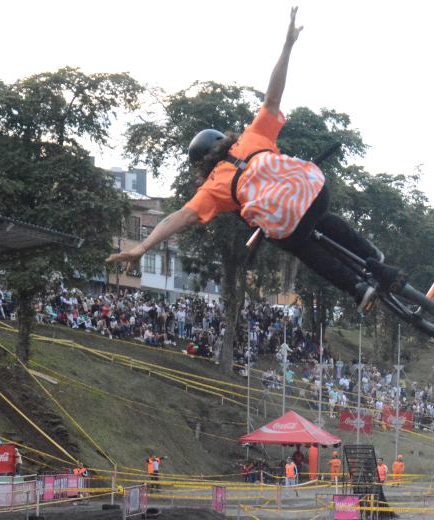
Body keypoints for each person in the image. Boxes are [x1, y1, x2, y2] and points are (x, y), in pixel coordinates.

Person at [105, 8, 403, 313]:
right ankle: (378, 265)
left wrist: (143, 247)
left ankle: (357, 287)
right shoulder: (251, 137)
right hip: (313, 190)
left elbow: (178, 217)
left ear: (202, 166)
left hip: (288, 224)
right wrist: (288, 46)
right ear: (222, 140)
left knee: (301, 246)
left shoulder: (213, 187)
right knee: (324, 217)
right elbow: (273, 96)